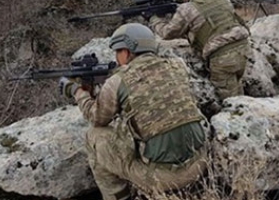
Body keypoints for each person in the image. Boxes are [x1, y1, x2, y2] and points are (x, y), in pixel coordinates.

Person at [59, 23, 207, 200]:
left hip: (163, 178)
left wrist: (79, 92)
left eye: (118, 51)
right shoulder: (178, 66)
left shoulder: (117, 81)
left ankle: (119, 196)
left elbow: (97, 118)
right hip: (200, 163)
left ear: (127, 52)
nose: (116, 56)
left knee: (94, 136)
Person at [149, 0, 250, 102]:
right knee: (236, 88)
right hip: (243, 48)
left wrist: (154, 19)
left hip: (222, 57)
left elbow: (167, 33)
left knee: (228, 100)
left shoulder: (187, 8)